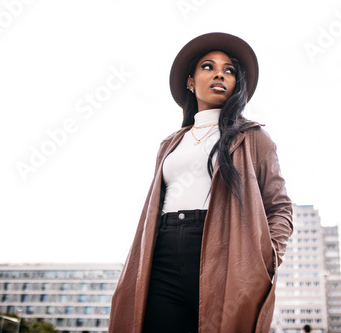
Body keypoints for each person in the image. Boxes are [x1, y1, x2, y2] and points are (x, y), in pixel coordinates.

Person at [108, 32, 293, 333]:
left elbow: (280, 207)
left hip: (227, 255)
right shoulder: (170, 144)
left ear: (236, 84)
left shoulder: (254, 138)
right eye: (208, 66)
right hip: (162, 257)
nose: (220, 73)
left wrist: (265, 260)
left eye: (229, 69)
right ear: (191, 82)